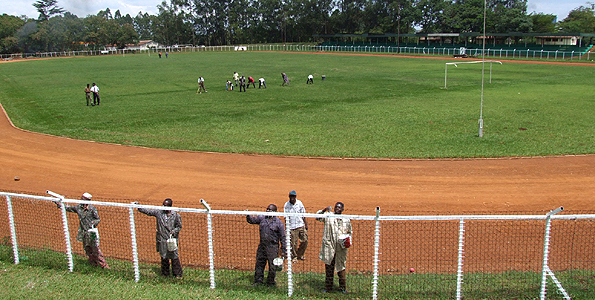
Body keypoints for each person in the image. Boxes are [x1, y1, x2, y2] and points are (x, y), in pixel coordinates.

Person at [55, 193, 109, 269]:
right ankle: (93, 263)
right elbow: (68, 208)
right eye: (82, 198)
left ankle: (104, 265)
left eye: (84, 199)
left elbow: (97, 219)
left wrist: (93, 224)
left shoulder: (92, 209)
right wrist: (59, 204)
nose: (82, 200)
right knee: (87, 248)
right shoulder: (78, 208)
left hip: (91, 231)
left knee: (95, 249)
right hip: (83, 232)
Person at [137, 198, 183, 277]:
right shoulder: (159, 213)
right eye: (163, 205)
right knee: (164, 256)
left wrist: (174, 231)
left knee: (174, 256)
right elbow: (148, 212)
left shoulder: (176, 215)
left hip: (171, 239)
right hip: (162, 239)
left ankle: (177, 274)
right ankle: (165, 273)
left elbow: (179, 226)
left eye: (165, 206)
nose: (163, 207)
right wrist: (139, 207)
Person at [246, 204, 287, 287]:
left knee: (272, 266)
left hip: (273, 247)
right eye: (267, 209)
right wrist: (248, 215)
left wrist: (283, 250)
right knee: (260, 263)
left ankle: (271, 282)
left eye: (270, 210)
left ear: (275, 212)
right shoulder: (262, 218)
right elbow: (252, 220)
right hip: (262, 246)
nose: (268, 211)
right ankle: (258, 281)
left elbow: (283, 237)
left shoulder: (279, 223)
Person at [317, 202, 352, 293]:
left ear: (342, 209)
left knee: (341, 267)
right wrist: (324, 209)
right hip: (330, 246)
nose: (337, 209)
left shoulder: (346, 220)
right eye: (336, 207)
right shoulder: (328, 216)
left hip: (341, 248)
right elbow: (317, 217)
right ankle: (328, 287)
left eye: (339, 207)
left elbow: (349, 232)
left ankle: (343, 288)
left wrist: (347, 241)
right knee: (329, 267)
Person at [284, 190, 308, 263]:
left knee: (305, 240)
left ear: (295, 197)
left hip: (300, 225)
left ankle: (300, 253)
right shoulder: (286, 205)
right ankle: (294, 256)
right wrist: (287, 227)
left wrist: (305, 224)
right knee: (293, 243)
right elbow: (286, 217)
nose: (292, 198)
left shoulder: (299, 203)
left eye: (293, 196)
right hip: (292, 227)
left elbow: (303, 214)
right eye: (291, 196)